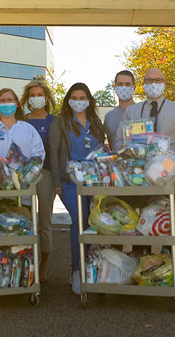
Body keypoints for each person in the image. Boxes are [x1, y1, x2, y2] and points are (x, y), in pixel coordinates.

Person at [49, 83, 107, 294]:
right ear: (68, 100)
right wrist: (57, 181)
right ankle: (76, 269)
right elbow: (54, 153)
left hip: (94, 181)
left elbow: (101, 149)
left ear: (89, 100)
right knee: (79, 219)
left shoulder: (96, 122)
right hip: (69, 182)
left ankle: (92, 265)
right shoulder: (61, 122)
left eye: (82, 97)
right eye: (74, 97)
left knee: (95, 222)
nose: (78, 101)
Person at [114, 68, 175, 183]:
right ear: (143, 84)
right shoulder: (131, 112)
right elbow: (119, 141)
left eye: (158, 80)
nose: (154, 84)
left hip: (171, 173)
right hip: (138, 176)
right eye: (149, 80)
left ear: (164, 83)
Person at [20, 79, 56, 283]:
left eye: (39, 95)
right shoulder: (21, 121)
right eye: (32, 95)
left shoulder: (54, 122)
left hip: (46, 174)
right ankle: (25, 262)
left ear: (46, 98)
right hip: (24, 176)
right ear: (27, 99)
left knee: (44, 221)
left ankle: (43, 265)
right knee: (24, 219)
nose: (36, 98)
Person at [103, 70, 137, 147]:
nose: (124, 87)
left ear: (134, 87)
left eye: (127, 84)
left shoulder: (143, 112)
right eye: (120, 84)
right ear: (115, 87)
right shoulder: (109, 117)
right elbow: (112, 146)